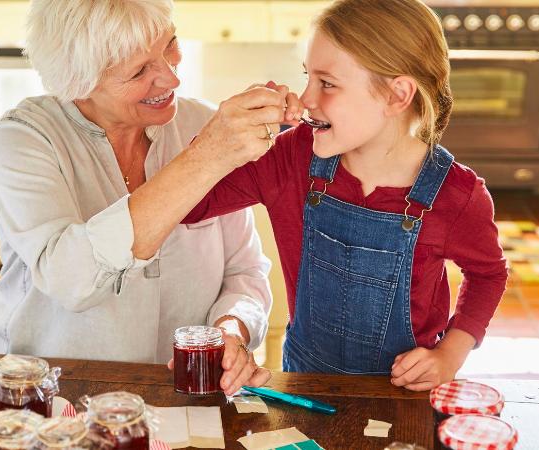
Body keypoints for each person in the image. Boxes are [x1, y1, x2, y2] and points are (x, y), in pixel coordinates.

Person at [174, 0, 509, 391]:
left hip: (402, 398)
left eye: (327, 83)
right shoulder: (291, 156)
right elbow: (189, 205)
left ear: (397, 95)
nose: (306, 99)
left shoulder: (457, 195)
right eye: (307, 78)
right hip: (304, 385)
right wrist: (224, 138)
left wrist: (451, 352)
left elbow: (489, 274)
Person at [0, 0, 287, 394]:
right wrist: (203, 160)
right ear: (80, 80)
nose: (171, 78)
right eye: (139, 70)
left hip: (187, 391)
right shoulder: (24, 139)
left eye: (170, 45)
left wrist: (230, 330)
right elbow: (71, 281)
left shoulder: (202, 125)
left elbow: (244, 273)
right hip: (50, 392)